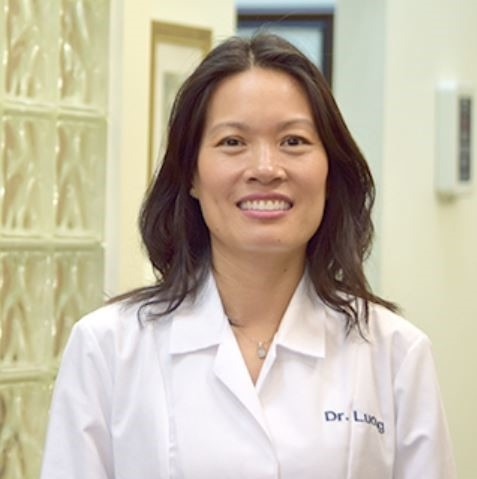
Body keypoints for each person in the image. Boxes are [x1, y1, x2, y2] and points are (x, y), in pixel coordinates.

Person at [40, 34, 456, 479]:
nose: (266, 168)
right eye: (233, 142)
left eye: (293, 141)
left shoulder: (394, 354)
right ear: (191, 175)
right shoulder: (108, 348)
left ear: (330, 171)